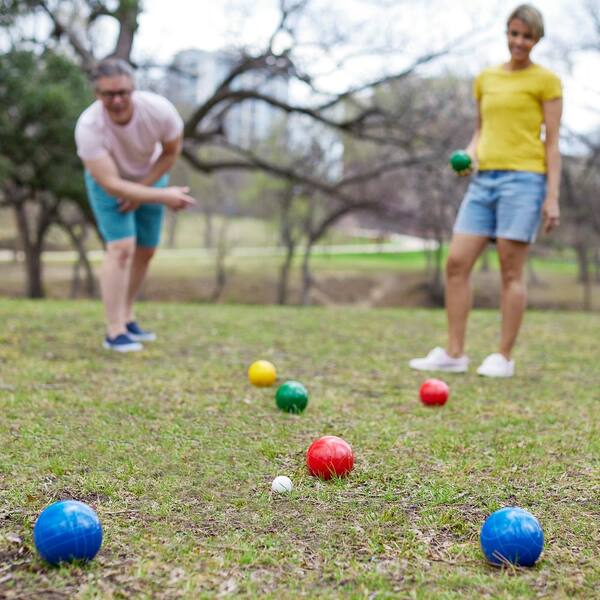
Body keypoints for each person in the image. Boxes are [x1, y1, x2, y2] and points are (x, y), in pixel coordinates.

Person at [410, 4, 562, 377]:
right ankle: (455, 352)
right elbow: (481, 131)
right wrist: (470, 155)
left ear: (537, 39)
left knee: (511, 271)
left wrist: (552, 196)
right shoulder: (486, 79)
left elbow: (552, 142)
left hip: (524, 180)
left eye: (527, 36)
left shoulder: (547, 81)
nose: (519, 42)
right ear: (506, 33)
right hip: (484, 180)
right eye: (514, 33)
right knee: (457, 262)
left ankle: (503, 357)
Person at [75, 58, 196, 352]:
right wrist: (164, 195)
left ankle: (127, 318)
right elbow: (113, 185)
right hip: (108, 182)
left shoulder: (160, 111)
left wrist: (143, 190)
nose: (117, 100)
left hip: (150, 174)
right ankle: (114, 331)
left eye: (123, 92)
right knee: (121, 248)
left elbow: (169, 153)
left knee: (145, 250)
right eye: (108, 95)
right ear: (97, 95)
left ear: (133, 89)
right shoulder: (89, 127)